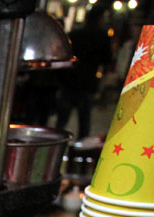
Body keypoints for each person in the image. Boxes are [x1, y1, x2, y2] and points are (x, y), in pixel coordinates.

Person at [55, 6, 113, 139]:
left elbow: (65, 55)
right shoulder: (101, 37)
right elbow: (106, 60)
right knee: (84, 121)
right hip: (86, 82)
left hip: (70, 81)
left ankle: (56, 144)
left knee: (62, 120)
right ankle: (81, 149)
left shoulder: (76, 34)